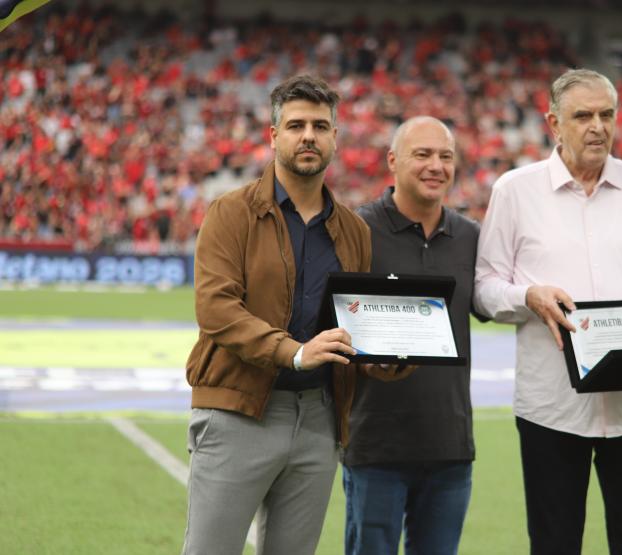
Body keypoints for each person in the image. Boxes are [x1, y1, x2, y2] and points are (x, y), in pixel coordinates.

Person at [474, 68, 622, 555]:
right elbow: (484, 288)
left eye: (607, 115)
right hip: (551, 409)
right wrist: (528, 297)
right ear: (553, 123)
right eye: (583, 116)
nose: (597, 126)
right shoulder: (514, 191)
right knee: (555, 545)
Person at [183, 74, 380, 555]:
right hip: (237, 410)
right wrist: (292, 352)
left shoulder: (354, 230)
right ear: (274, 137)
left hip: (317, 419)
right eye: (295, 125)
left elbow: (355, 325)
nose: (308, 135)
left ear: (335, 137)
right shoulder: (230, 213)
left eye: (320, 125)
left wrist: (388, 356)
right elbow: (217, 309)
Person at [343, 116, 481, 555]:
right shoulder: (356, 230)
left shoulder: (471, 237)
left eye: (445, 156)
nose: (435, 166)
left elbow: (501, 301)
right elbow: (332, 325)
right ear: (392, 162)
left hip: (449, 444)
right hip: (375, 444)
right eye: (422, 154)